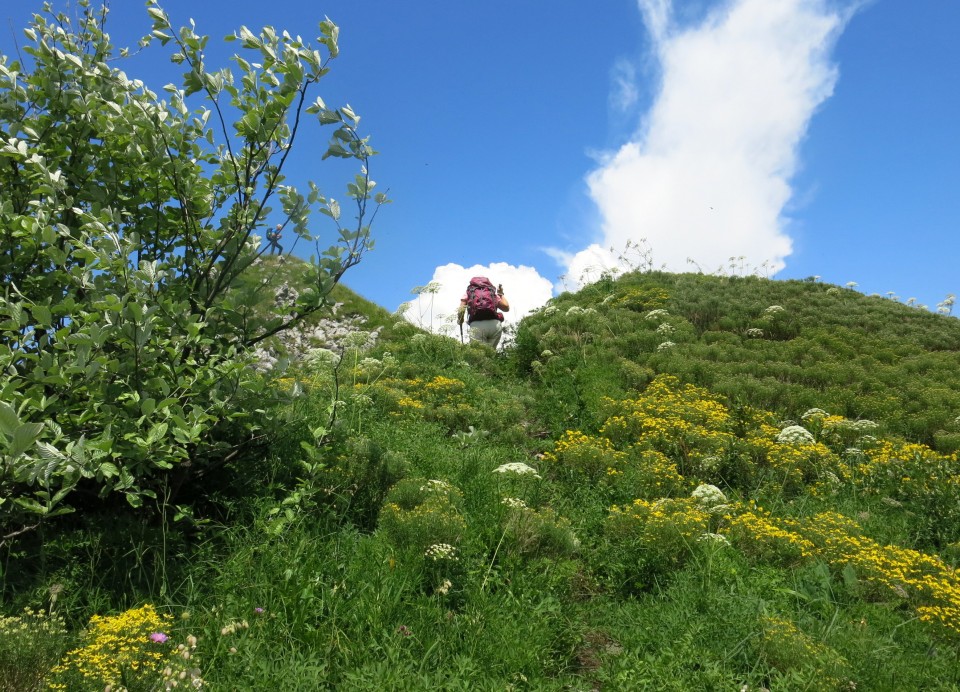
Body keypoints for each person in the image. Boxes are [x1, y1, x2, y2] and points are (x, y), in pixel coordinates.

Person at [457, 277, 510, 348]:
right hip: (494, 325)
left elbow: (461, 309)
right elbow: (506, 308)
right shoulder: (491, 292)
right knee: (490, 354)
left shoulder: (469, 292)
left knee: (480, 356)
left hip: (477, 325)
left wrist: (460, 320)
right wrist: (500, 293)